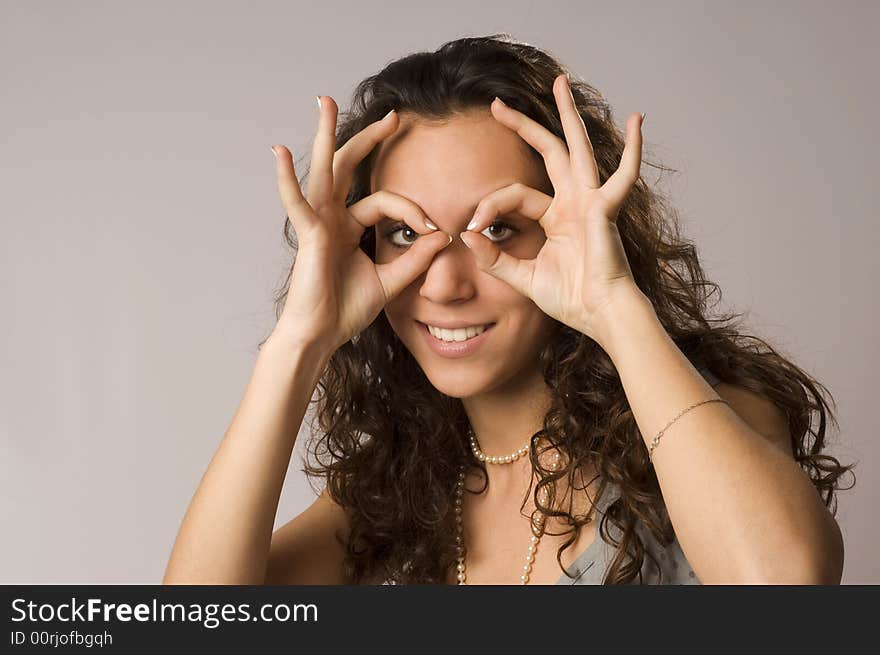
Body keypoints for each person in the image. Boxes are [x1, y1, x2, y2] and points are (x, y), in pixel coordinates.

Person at [163, 34, 855, 586]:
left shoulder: (700, 424)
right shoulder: (388, 495)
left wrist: (613, 304)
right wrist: (299, 341)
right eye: (406, 232)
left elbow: (788, 581)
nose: (444, 284)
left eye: (497, 228)